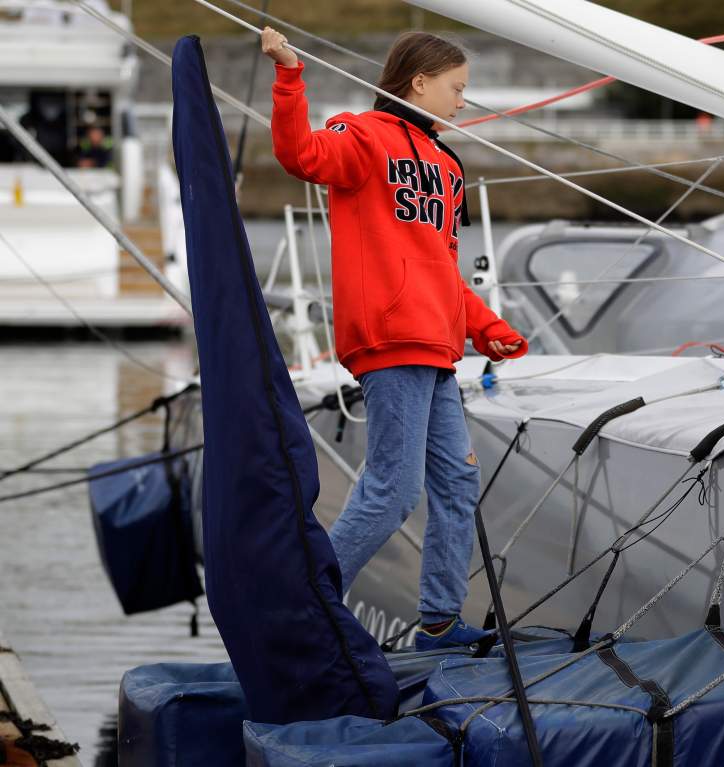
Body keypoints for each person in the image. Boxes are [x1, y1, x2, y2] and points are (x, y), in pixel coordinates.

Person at [263, 27, 527, 650]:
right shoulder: (360, 137)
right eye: (457, 88)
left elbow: (441, 266)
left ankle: (437, 622)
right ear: (419, 83)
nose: (464, 102)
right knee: (393, 490)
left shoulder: (445, 165)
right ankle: (300, 614)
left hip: (438, 348)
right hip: (392, 340)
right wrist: (290, 75)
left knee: (457, 485)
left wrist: (488, 328)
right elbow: (300, 155)